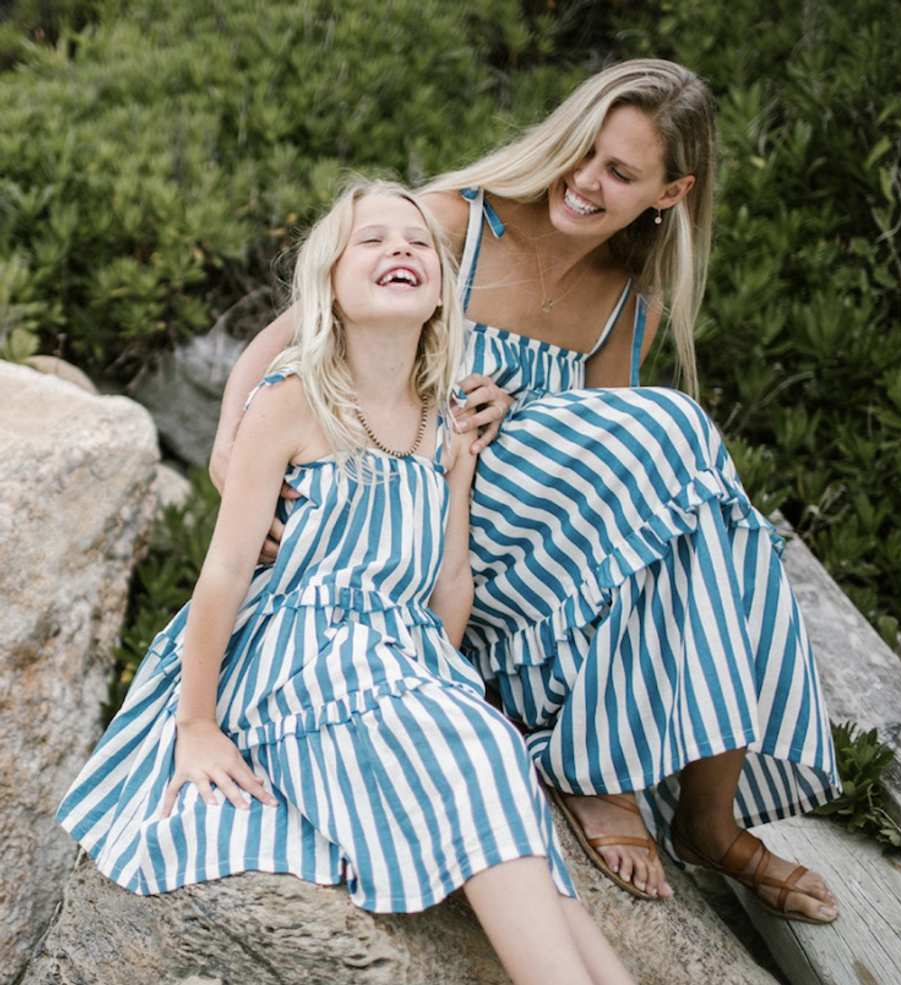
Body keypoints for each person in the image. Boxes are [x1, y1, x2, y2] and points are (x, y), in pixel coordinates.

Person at [212, 60, 841, 925]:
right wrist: (227, 465)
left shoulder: (627, 300)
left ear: (672, 191)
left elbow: (615, 496)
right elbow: (288, 339)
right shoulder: (453, 224)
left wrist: (531, 404)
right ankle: (647, 795)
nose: (585, 180)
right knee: (686, 441)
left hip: (521, 555)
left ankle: (693, 811)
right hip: (412, 522)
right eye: (583, 151)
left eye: (621, 173)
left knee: (683, 490)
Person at [58, 180, 640, 985]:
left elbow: (447, 583)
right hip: (297, 655)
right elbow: (224, 572)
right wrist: (196, 722)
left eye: (415, 241)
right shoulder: (293, 400)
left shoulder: (445, 423)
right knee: (473, 754)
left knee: (493, 755)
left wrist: (443, 680)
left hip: (401, 658)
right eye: (370, 239)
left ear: (441, 292)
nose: (398, 248)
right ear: (329, 282)